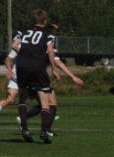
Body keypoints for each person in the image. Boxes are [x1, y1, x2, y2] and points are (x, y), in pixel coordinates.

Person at [13, 10, 83, 143]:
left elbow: (14, 45)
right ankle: (44, 131)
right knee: (46, 102)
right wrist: (53, 69)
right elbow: (50, 50)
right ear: (45, 21)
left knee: (22, 98)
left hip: (22, 66)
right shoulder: (48, 34)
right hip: (38, 66)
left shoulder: (22, 31)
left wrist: (25, 54)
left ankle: (25, 129)